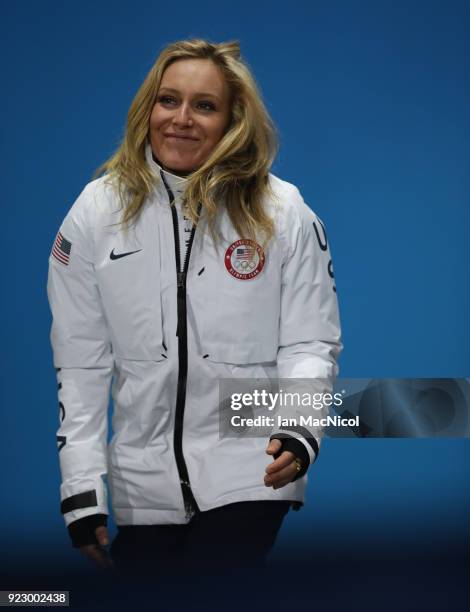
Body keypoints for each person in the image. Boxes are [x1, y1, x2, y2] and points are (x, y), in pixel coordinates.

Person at [47, 38, 342, 575]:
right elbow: (81, 363)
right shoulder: (95, 213)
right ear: (147, 109)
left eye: (204, 105)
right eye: (168, 101)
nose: (181, 119)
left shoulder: (284, 211)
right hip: (141, 487)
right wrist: (82, 487)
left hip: (250, 470)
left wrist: (300, 432)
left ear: (233, 120)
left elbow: (309, 343)